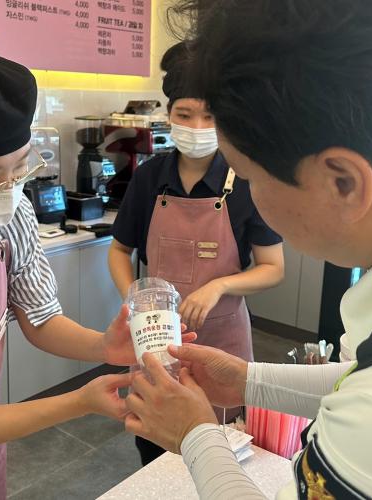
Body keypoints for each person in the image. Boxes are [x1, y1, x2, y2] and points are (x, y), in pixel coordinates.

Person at [124, 0, 372, 497]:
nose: (248, 193)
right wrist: (247, 380)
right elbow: (360, 377)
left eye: (250, 176)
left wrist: (195, 436)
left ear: (343, 183)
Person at [0, 49, 195, 500]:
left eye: (20, 168)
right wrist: (78, 402)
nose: (8, 191)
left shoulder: (12, 213)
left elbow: (40, 318)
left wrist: (103, 346)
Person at [108, 42, 284, 465]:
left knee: (222, 446)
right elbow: (118, 250)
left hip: (224, 341)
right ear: (169, 114)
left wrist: (218, 286)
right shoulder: (150, 177)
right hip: (156, 337)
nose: (197, 126)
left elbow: (272, 268)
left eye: (210, 117)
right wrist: (135, 300)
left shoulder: (245, 180)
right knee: (154, 443)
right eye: (185, 115)